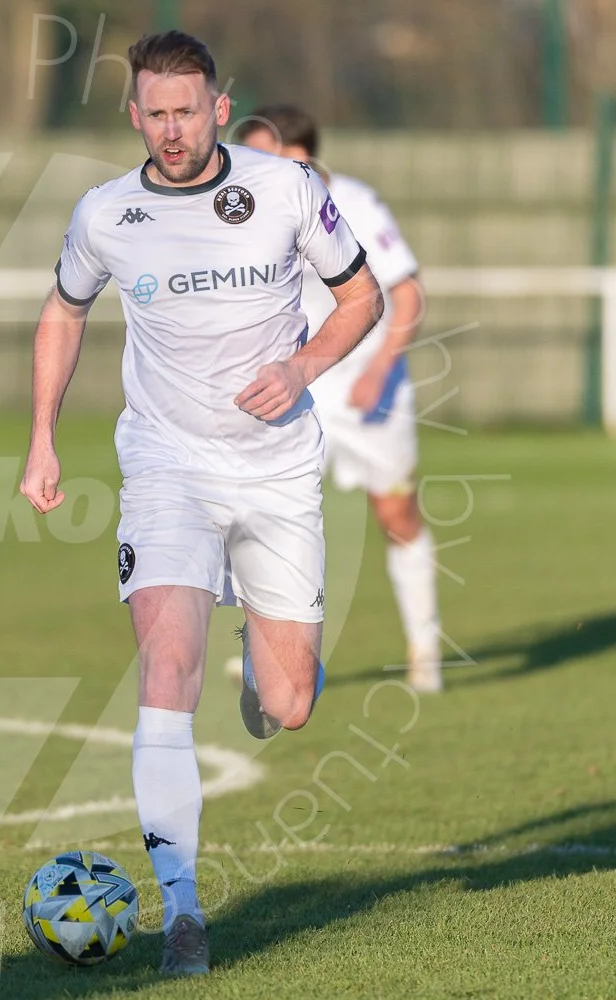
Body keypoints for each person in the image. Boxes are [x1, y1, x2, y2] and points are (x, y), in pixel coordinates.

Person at [20, 31, 383, 976]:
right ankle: (183, 910)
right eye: (157, 113)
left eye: (188, 111)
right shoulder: (107, 214)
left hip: (275, 469)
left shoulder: (285, 189)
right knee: (167, 669)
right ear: (134, 115)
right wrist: (42, 437)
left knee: (291, 703)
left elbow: (362, 299)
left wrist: (300, 368)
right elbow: (64, 309)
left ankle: (260, 654)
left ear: (219, 109)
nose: (173, 129)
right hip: (166, 467)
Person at [238, 104, 443, 693]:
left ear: (298, 154)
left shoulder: (355, 204)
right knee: (267, 513)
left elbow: (407, 294)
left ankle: (425, 647)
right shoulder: (251, 209)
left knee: (396, 513)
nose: (247, 167)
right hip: (303, 388)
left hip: (367, 393)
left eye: (262, 155)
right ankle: (268, 651)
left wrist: (380, 368)